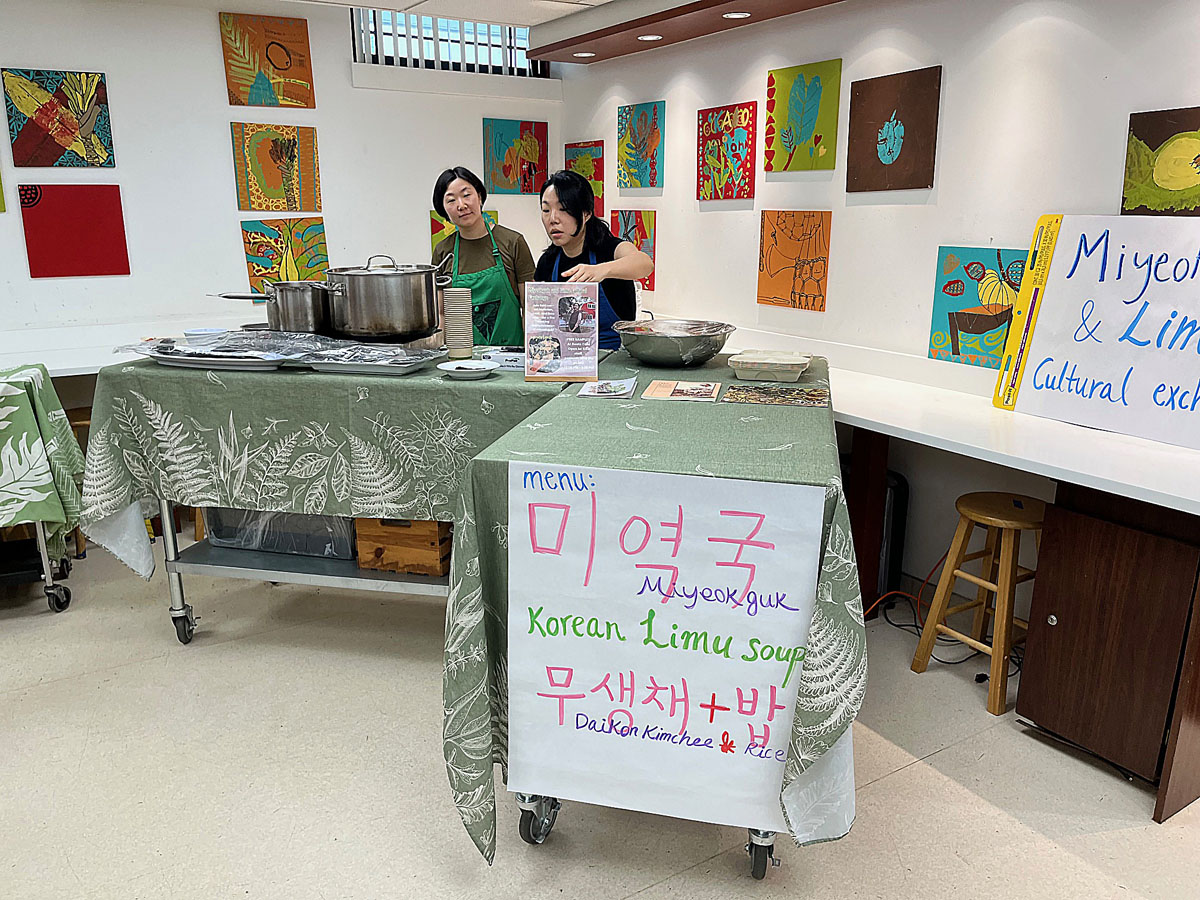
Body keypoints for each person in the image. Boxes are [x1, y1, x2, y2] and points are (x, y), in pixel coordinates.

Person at [534, 170, 654, 350]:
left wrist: (600, 270)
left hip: (613, 360)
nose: (553, 219)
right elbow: (537, 319)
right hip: (566, 360)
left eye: (564, 209)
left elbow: (644, 263)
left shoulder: (608, 249)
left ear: (586, 213)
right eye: (546, 210)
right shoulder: (548, 262)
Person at [431, 166, 534, 346]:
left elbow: (530, 307)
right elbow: (441, 313)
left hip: (510, 359)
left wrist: (532, 358)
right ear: (444, 209)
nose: (461, 205)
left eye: (466, 195)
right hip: (460, 361)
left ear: (479, 196)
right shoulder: (443, 251)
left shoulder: (512, 242)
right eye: (451, 200)